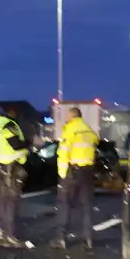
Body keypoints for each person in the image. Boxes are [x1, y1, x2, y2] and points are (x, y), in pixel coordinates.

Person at [50, 107, 98, 251]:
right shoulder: (89, 130)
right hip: (87, 172)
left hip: (72, 172)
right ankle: (88, 238)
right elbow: (95, 142)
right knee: (86, 206)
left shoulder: (70, 129)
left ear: (72, 116)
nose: (66, 118)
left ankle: (61, 238)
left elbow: (64, 153)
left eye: (67, 115)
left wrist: (62, 174)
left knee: (64, 203)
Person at [0, 107, 32, 247]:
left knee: (1, 201)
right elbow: (16, 144)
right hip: (10, 168)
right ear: (13, 115)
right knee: (11, 202)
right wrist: (30, 143)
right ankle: (10, 236)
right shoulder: (8, 125)